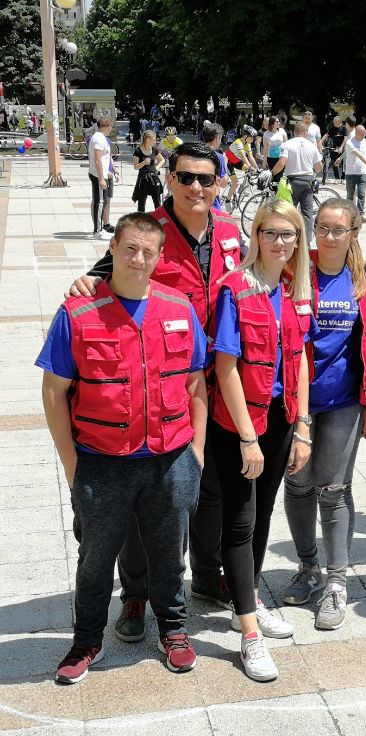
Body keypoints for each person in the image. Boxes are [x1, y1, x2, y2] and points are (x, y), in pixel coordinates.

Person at [69, 141, 247, 639]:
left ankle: (207, 576)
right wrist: (85, 281)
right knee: (141, 501)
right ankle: (136, 595)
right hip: (162, 388)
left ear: (220, 183)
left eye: (206, 179)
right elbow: (105, 277)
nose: (196, 187)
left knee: (209, 488)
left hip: (220, 383)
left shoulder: (231, 231)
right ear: (169, 179)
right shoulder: (149, 233)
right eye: (186, 177)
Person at [39, 213, 208, 683]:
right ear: (112, 247)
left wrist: (196, 453)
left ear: (159, 257)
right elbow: (53, 391)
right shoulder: (78, 312)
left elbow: (196, 382)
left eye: (148, 252)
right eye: (130, 248)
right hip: (102, 462)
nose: (138, 259)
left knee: (170, 554)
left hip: (170, 459)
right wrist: (72, 465)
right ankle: (86, 641)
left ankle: (174, 630)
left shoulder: (178, 307)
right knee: (95, 560)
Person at [208, 199, 312, 682]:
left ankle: (245, 602)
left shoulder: (292, 290)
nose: (279, 242)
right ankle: (249, 633)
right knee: (240, 521)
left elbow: (301, 359)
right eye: (270, 232)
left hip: (281, 417)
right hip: (240, 423)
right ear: (255, 236)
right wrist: (247, 438)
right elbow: (225, 366)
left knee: (264, 513)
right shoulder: (235, 288)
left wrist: (303, 427)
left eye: (288, 234)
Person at [281, 198, 366, 629]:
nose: (327, 236)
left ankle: (337, 582)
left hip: (343, 401)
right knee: (298, 483)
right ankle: (308, 567)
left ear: (353, 234)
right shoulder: (293, 272)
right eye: (321, 227)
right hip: (295, 399)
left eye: (337, 230)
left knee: (334, 488)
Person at [271, 120, 324, 245]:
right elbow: (319, 167)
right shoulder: (312, 146)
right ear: (306, 132)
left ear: (294, 132)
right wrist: (311, 172)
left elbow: (282, 163)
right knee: (307, 213)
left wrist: (272, 173)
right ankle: (306, 241)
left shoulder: (287, 144)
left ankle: (289, 238)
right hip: (307, 181)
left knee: (289, 212)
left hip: (292, 182)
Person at [88, 116, 115, 239]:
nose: (111, 129)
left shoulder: (101, 138)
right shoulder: (98, 139)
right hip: (98, 175)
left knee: (103, 202)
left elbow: (104, 159)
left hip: (103, 174)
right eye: (111, 126)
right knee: (99, 203)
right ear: (106, 126)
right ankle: (97, 231)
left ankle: (100, 229)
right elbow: (98, 160)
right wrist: (101, 179)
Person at [342, 124, 366, 218]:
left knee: (361, 194)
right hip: (351, 172)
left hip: (363, 172)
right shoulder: (350, 142)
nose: (364, 135)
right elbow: (358, 155)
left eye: (365, 133)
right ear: (356, 133)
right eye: (362, 134)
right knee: (350, 195)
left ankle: (360, 214)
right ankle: (349, 214)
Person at [131, 130, 164, 213]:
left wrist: (157, 168)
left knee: (157, 201)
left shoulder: (154, 150)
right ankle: (141, 218)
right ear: (147, 139)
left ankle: (159, 218)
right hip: (143, 179)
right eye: (153, 139)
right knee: (141, 202)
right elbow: (135, 167)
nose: (155, 141)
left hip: (153, 178)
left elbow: (162, 160)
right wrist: (144, 163)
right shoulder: (138, 151)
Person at [225, 126, 259, 202]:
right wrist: (250, 166)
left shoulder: (248, 144)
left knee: (249, 172)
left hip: (237, 162)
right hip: (229, 162)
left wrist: (257, 169)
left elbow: (251, 157)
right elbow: (244, 157)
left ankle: (242, 189)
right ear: (245, 136)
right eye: (252, 138)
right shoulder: (238, 142)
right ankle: (228, 200)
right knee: (236, 183)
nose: (253, 140)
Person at [320, 115, 347, 183]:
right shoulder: (332, 128)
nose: (334, 123)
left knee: (343, 163)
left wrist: (341, 147)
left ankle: (343, 178)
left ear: (340, 122)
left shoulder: (344, 128)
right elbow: (326, 135)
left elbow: (345, 138)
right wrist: (320, 142)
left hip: (343, 147)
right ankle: (337, 178)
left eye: (335, 121)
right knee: (335, 162)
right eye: (334, 121)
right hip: (335, 147)